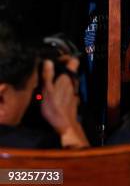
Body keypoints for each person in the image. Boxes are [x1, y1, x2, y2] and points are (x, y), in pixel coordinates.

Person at [0, 17, 89, 148]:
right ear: (2, 98)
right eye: (32, 88)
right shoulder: (33, 151)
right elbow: (90, 169)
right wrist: (70, 128)